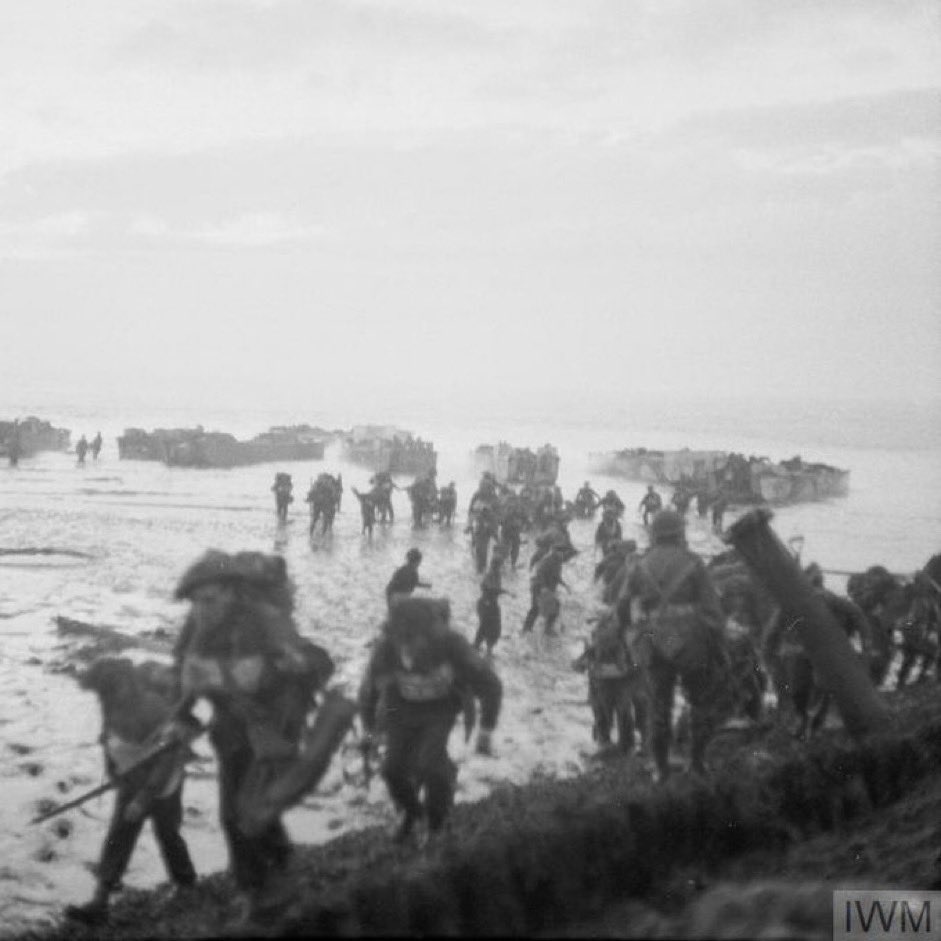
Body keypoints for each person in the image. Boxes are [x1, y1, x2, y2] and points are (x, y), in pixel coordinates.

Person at [169, 551, 338, 918]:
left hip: (273, 729)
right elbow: (182, 671)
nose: (201, 608)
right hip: (231, 731)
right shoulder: (196, 624)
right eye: (195, 601)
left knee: (239, 813)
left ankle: (259, 892)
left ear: (232, 593)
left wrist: (274, 672)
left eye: (210, 599)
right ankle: (280, 865)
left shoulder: (264, 622)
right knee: (244, 809)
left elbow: (311, 664)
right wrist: (182, 718)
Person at [64, 658, 198, 926]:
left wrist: (144, 797)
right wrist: (113, 772)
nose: (109, 697)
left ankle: (188, 888)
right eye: (105, 693)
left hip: (163, 784)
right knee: (119, 836)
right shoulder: (110, 703)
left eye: (114, 690)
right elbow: (109, 740)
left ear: (127, 685)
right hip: (131, 779)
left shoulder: (153, 708)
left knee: (168, 834)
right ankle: (100, 903)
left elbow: (168, 757)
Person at [358, 597, 502, 843]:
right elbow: (369, 695)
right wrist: (370, 735)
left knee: (429, 764)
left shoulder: (452, 645)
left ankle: (436, 823)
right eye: (401, 641)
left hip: (439, 709)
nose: (407, 650)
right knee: (392, 769)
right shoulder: (386, 647)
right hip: (399, 709)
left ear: (429, 634)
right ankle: (412, 814)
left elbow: (491, 686)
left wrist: (486, 730)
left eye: (413, 640)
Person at [623, 509, 727, 782]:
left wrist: (635, 639)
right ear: (679, 533)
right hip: (691, 643)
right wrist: (719, 645)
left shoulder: (640, 565)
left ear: (654, 533)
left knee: (659, 704)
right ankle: (697, 762)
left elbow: (623, 608)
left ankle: (660, 768)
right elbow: (713, 612)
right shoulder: (693, 563)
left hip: (657, 640)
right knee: (699, 701)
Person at [762, 562, 874, 739]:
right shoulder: (791, 602)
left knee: (820, 690)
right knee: (799, 691)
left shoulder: (829, 599)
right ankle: (803, 720)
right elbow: (773, 629)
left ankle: (813, 726)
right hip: (800, 653)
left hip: (824, 653)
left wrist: (866, 644)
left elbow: (856, 614)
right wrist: (768, 654)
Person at [572, 607, 645, 755]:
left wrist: (634, 666)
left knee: (615, 710)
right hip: (611, 679)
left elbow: (642, 656)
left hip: (616, 679)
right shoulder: (602, 636)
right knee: (615, 710)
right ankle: (617, 742)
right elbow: (585, 658)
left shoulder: (633, 634)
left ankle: (615, 742)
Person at [522, 544, 571, 635]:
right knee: (536, 608)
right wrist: (543, 587)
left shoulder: (558, 561)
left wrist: (565, 585)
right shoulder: (547, 560)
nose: (563, 555)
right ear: (555, 551)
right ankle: (526, 629)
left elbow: (556, 576)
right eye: (561, 552)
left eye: (563, 553)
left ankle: (547, 629)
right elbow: (539, 572)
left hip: (548, 588)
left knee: (555, 607)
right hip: (538, 587)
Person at [474, 548, 509, 655]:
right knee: (485, 626)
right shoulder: (490, 574)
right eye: (500, 564)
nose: (501, 567)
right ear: (496, 565)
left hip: (491, 604)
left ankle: (487, 649)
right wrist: (504, 591)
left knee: (494, 627)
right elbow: (489, 588)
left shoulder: (497, 574)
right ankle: (478, 647)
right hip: (485, 604)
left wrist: (502, 591)